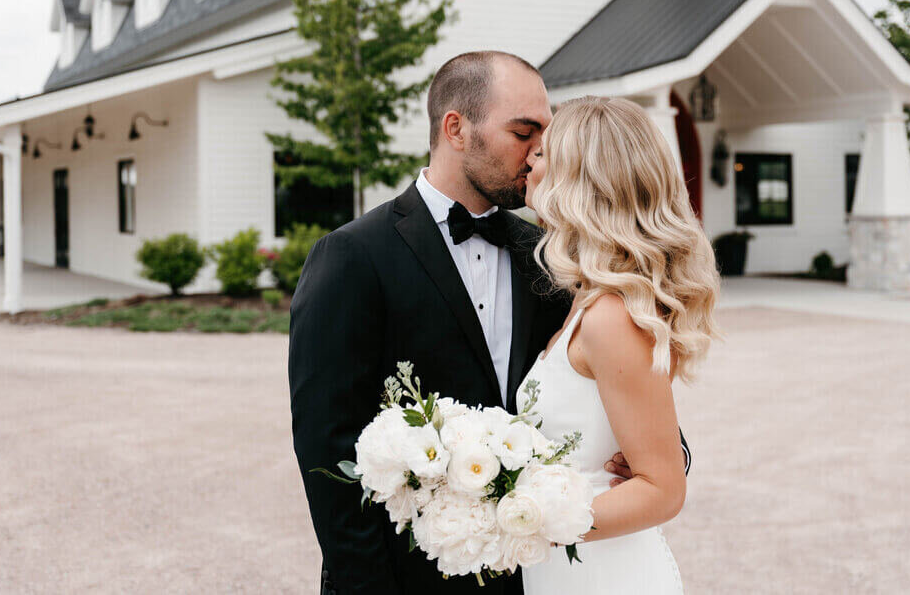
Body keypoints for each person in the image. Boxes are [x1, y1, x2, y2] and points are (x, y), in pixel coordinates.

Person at [288, 52, 689, 594]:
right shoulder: (352, 257)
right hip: (413, 579)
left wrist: (662, 459)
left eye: (545, 137)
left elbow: (626, 395)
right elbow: (328, 451)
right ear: (456, 128)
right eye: (523, 132)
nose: (536, 155)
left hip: (538, 569)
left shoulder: (548, 256)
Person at [517, 96, 722, 594]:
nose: (528, 161)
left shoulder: (610, 316)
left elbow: (663, 490)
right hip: (565, 565)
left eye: (542, 154)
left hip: (601, 573)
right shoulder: (586, 298)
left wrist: (515, 523)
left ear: (578, 178)